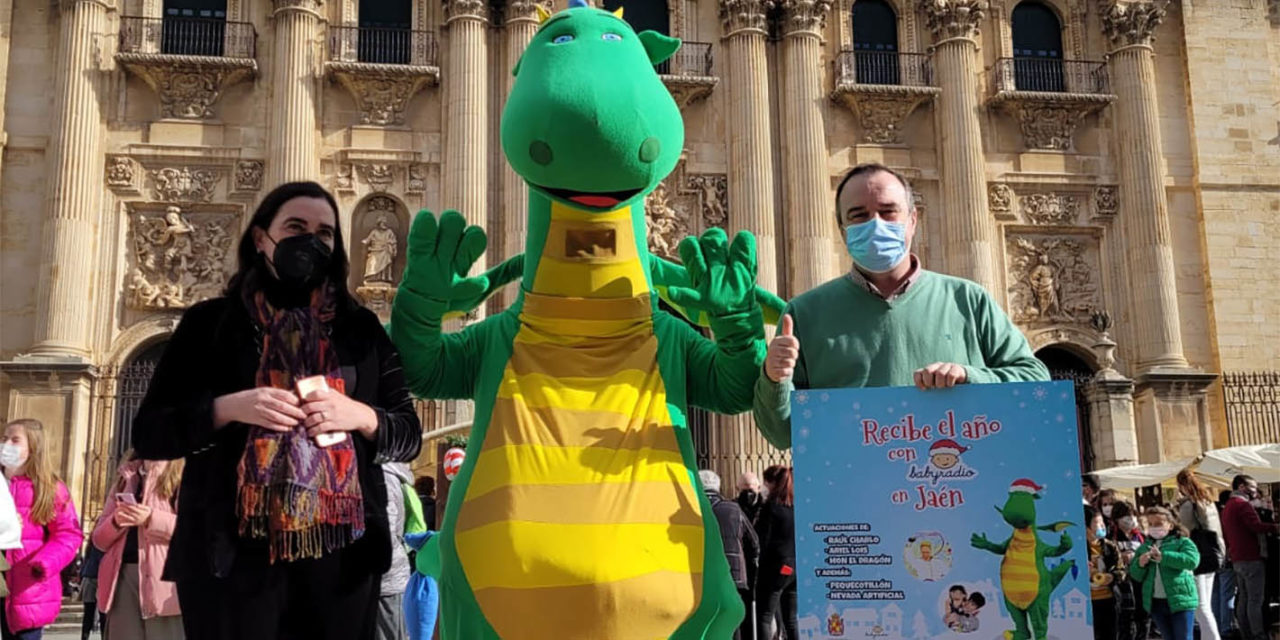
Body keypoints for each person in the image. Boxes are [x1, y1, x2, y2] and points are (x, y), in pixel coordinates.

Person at [129, 182, 423, 640]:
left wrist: (359, 415)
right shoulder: (210, 324)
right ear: (262, 238)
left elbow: (408, 432)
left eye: (324, 232)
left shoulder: (360, 329)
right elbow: (150, 432)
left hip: (343, 558)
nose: (311, 240)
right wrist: (228, 408)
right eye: (296, 226)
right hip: (229, 556)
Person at [753, 164, 1049, 449]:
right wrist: (773, 378)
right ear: (842, 229)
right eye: (859, 216)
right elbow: (781, 434)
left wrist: (969, 376)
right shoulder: (804, 314)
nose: (875, 224)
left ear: (913, 219)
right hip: (855, 495)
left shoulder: (968, 300)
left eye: (888, 211)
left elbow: (1035, 380)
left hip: (957, 490)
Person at [1, 419, 85, 640]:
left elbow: (68, 534)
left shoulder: (50, 489)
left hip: (28, 588)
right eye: (4, 438)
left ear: (33, 447)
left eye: (15, 440)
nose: (6, 444)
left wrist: (44, 563)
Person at [90, 453, 186, 639]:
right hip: (122, 579)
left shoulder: (184, 473)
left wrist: (151, 518)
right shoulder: (126, 476)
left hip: (166, 583)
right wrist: (116, 522)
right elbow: (99, 540)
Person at [699, 470, 759, 640]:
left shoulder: (692, 508)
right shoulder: (733, 508)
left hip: (701, 576)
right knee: (733, 620)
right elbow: (754, 542)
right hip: (734, 575)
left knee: (707, 619)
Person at [1220, 475, 1280, 640]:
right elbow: (1256, 526)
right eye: (1252, 487)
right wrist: (1275, 527)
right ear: (1241, 487)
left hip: (1238, 557)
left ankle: (1246, 633)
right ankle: (1258, 634)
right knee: (1255, 600)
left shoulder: (1228, 507)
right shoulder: (1242, 505)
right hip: (1251, 557)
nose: (1255, 490)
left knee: (1244, 599)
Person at [1128, 506, 1200, 640]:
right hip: (1156, 603)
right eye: (1150, 524)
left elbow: (1192, 561)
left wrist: (1164, 557)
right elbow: (1135, 575)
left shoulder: (1182, 542)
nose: (1154, 527)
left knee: (1184, 637)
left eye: (1158, 524)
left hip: (1180, 600)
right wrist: (1140, 564)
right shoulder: (1144, 547)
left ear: (1171, 525)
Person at [376, 462, 425, 640]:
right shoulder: (392, 478)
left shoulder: (383, 478)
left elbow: (384, 536)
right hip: (386, 577)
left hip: (385, 580)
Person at [1175, 468, 1224, 640]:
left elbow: (1185, 531)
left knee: (1200, 606)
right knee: (1205, 605)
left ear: (1181, 485)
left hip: (1196, 556)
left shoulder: (1188, 505)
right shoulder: (1208, 501)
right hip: (1213, 554)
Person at [754, 465, 796, 640]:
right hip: (794, 565)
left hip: (776, 566)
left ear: (772, 484)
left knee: (764, 615)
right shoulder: (794, 507)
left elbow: (762, 539)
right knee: (791, 618)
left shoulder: (771, 508)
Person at [1086, 504, 1124, 640]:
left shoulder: (1110, 546)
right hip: (1087, 603)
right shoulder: (1077, 548)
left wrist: (1112, 576)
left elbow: (1121, 570)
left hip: (1109, 600)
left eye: (1102, 522)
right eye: (1097, 523)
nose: (1101, 526)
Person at [1110, 501, 1147, 640]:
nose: (1130, 519)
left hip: (1140, 581)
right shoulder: (1111, 536)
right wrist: (1120, 556)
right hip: (1122, 584)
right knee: (1125, 621)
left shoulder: (1140, 536)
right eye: (1125, 516)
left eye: (1132, 515)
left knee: (1143, 619)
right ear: (1116, 519)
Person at [1211, 489, 1236, 636]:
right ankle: (1226, 628)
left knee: (1215, 595)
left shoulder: (1213, 516)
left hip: (1211, 559)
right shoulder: (1228, 516)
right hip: (1226, 557)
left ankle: (1216, 627)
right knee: (1226, 594)